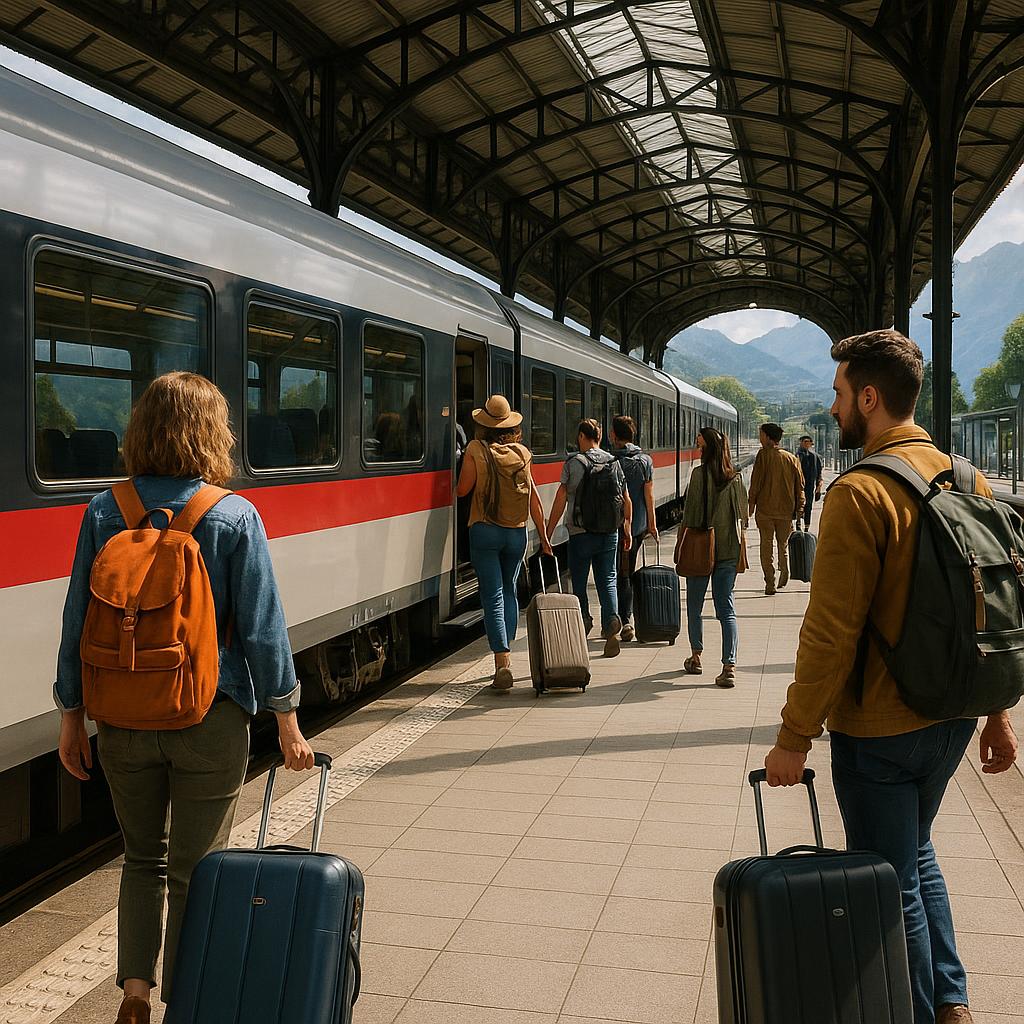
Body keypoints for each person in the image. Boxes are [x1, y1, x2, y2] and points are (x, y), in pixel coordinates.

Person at [763, 330, 1019, 1024]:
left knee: (889, 881)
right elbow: (995, 607)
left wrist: (793, 735)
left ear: (869, 398)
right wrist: (996, 712)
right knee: (918, 852)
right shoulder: (971, 479)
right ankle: (952, 1003)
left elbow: (830, 632)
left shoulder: (859, 494)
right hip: (954, 719)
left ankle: (909, 1009)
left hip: (881, 729)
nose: (834, 405)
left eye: (841, 394)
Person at [54, 372, 313, 1024]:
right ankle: (186, 1002)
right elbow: (262, 628)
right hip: (210, 715)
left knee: (142, 859)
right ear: (211, 432)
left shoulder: (104, 509)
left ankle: (135, 994)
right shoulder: (232, 513)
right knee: (196, 871)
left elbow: (77, 618)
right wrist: (287, 720)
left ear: (141, 428)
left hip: (122, 716)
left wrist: (70, 714)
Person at [456, 395, 552, 689]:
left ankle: (502, 660)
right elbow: (534, 498)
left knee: (492, 594)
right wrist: (545, 538)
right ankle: (507, 648)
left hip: (485, 530)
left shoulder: (475, 448)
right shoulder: (523, 453)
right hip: (516, 532)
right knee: (510, 590)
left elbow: (462, 491)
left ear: (483, 424)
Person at [546, 418, 632, 658]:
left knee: (580, 582)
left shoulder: (574, 463)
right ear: (600, 437)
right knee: (608, 580)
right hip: (609, 533)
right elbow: (626, 499)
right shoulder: (614, 461)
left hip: (580, 533)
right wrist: (626, 527)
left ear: (582, 437)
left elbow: (561, 498)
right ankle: (611, 623)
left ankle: (583, 619)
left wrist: (548, 531)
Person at [676, 428, 748, 687]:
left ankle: (696, 657)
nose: (697, 446)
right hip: (728, 551)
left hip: (701, 549)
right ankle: (729, 666)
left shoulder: (698, 475)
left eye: (699, 443)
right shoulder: (736, 479)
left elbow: (691, 516)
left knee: (695, 606)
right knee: (726, 609)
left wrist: (681, 539)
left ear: (707, 448)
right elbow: (744, 517)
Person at [609, 414, 657, 642]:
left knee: (616, 573)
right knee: (627, 570)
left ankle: (622, 618)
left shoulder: (608, 460)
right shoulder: (645, 461)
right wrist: (652, 524)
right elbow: (649, 495)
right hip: (636, 527)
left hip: (611, 526)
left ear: (613, 435)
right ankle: (625, 619)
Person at [748, 422, 804, 594]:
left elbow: (755, 483)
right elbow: (800, 486)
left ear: (767, 437)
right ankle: (784, 569)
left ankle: (769, 582)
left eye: (761, 434)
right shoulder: (791, 458)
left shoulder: (763, 455)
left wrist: (750, 506)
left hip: (765, 511)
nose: (759, 437)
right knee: (783, 544)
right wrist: (800, 508)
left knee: (766, 545)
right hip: (786, 511)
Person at [796, 434, 823, 529]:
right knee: (798, 505)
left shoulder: (815, 457)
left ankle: (807, 527)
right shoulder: (796, 456)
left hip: (810, 485)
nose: (806, 444)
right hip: (797, 485)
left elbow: (819, 473)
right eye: (804, 442)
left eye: (808, 442)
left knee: (808, 505)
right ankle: (798, 524)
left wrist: (818, 488)